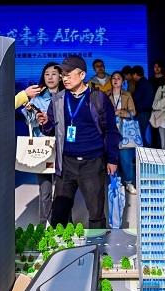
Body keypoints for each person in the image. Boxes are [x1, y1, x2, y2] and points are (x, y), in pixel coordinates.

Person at [37, 55, 120, 229]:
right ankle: (58, 245)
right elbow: (51, 130)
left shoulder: (98, 98)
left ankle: (97, 244)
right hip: (66, 163)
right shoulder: (58, 100)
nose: (64, 78)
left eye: (68, 74)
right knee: (59, 213)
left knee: (96, 212)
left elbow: (111, 131)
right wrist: (45, 123)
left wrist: (112, 159)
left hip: (93, 163)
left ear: (82, 75)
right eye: (63, 75)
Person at [19, 62, 64, 225]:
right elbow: (30, 123)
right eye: (47, 74)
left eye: (54, 74)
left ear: (61, 77)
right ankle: (44, 224)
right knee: (45, 189)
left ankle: (63, 222)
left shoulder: (67, 96)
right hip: (43, 147)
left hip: (63, 148)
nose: (50, 77)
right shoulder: (36, 98)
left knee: (64, 190)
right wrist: (33, 114)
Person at [108, 71, 137, 194]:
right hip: (110, 131)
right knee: (111, 158)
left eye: (118, 78)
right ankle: (114, 183)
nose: (115, 80)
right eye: (113, 78)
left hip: (125, 130)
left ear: (122, 81)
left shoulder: (127, 95)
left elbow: (133, 112)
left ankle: (129, 182)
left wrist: (119, 112)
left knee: (126, 159)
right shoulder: (106, 95)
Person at [131, 65, 154, 146]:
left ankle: (144, 151)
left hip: (143, 113)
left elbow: (137, 98)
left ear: (135, 74)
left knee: (142, 135)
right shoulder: (146, 82)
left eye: (132, 75)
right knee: (145, 134)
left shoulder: (141, 83)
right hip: (146, 112)